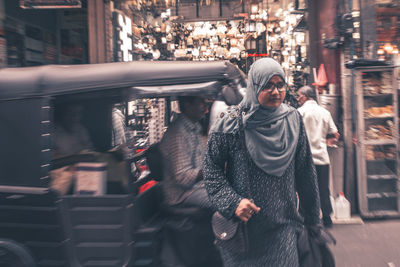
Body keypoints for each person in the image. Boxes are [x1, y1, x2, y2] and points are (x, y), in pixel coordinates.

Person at [204, 58, 321, 266]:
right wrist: (233, 203)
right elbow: (211, 169)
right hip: (243, 232)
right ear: (255, 86)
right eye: (268, 85)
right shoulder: (230, 122)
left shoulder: (293, 120)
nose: (275, 92)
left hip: (283, 229)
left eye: (280, 85)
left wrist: (313, 220)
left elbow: (305, 171)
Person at [297, 85, 340, 227]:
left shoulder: (299, 113)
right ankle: (327, 218)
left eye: (299, 96)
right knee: (323, 189)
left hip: (304, 159)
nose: (297, 99)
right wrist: (325, 142)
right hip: (322, 157)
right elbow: (335, 135)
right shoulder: (324, 112)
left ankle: (305, 219)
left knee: (304, 189)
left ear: (304, 96)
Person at [159, 96, 212, 210]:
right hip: (182, 195)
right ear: (188, 105)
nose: (205, 106)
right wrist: (210, 171)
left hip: (197, 187)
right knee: (229, 202)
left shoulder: (194, 127)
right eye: (201, 102)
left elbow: (199, 162)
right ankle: (221, 228)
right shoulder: (179, 133)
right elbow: (182, 177)